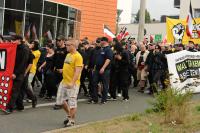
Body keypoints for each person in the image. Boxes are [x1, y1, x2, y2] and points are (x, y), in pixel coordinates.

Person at [59, 39, 83, 127]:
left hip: (73, 83)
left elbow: (78, 71)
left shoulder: (78, 56)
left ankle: (71, 121)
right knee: (61, 101)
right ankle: (70, 115)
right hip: (64, 81)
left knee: (72, 103)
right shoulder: (68, 55)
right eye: (66, 45)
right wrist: (63, 70)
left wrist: (72, 83)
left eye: (68, 45)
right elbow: (68, 65)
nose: (66, 46)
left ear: (73, 46)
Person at [6, 35, 30, 114]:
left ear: (19, 40)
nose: (12, 42)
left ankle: (10, 108)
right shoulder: (14, 47)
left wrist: (15, 73)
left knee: (15, 90)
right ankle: (20, 106)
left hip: (19, 73)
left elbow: (23, 64)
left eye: (13, 40)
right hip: (14, 72)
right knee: (19, 90)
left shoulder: (25, 49)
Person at [89, 37, 113, 104]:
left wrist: (103, 68)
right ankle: (95, 99)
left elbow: (108, 59)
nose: (99, 42)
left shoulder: (108, 50)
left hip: (105, 70)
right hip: (97, 69)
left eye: (100, 41)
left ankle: (104, 99)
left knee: (104, 84)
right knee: (94, 83)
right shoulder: (101, 49)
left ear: (104, 41)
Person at [53, 36, 68, 110]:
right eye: (57, 40)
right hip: (57, 70)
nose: (57, 41)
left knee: (62, 87)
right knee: (55, 84)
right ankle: (62, 100)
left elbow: (68, 61)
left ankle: (60, 102)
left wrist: (63, 69)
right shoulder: (56, 49)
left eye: (59, 40)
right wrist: (54, 66)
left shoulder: (66, 50)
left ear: (63, 41)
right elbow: (55, 58)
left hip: (64, 70)